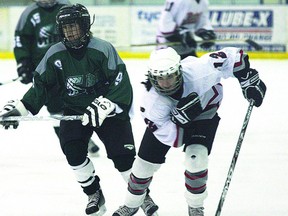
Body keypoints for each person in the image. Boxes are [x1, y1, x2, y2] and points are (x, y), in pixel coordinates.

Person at [1, 4, 158, 216]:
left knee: (123, 159)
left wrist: (106, 105)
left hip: (109, 113)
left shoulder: (102, 49)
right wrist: (18, 111)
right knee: (73, 153)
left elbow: (121, 83)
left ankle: (142, 196)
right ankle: (94, 194)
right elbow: (41, 88)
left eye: (74, 26)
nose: (70, 32)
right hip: (74, 111)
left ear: (85, 26)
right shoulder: (54, 54)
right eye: (66, 28)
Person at [112, 47, 266, 216]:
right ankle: (132, 204)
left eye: (170, 76)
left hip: (204, 113)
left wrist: (246, 76)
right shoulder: (151, 103)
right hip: (170, 122)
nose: (165, 83)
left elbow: (233, 56)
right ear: (151, 77)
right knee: (142, 166)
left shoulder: (199, 71)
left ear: (180, 71)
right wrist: (179, 122)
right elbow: (174, 139)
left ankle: (195, 207)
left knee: (196, 158)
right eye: (159, 78)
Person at [13, 0, 100, 155]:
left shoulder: (65, 8)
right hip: (45, 71)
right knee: (55, 107)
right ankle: (74, 142)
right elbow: (21, 40)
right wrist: (23, 63)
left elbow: (81, 29)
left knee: (75, 101)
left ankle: (83, 136)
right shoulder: (29, 13)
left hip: (69, 67)